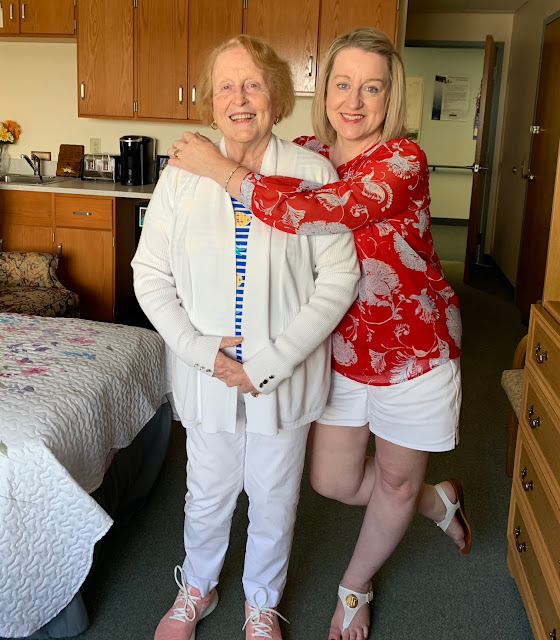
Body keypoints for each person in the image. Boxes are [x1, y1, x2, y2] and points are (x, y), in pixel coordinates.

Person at [167, 27, 471, 640]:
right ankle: (436, 501)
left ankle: (354, 589)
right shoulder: (312, 154)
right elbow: (267, 164)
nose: (354, 101)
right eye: (342, 84)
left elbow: (312, 212)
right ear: (323, 89)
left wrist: (218, 167)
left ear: (391, 97)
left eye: (372, 88)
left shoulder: (402, 161)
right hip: (337, 347)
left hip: (412, 349)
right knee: (332, 481)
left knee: (392, 478)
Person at [132, 34, 360, 640]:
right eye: (226, 87)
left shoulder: (312, 173)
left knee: (274, 496)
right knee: (206, 492)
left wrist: (270, 361)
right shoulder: (182, 176)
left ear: (276, 97)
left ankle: (261, 603)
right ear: (210, 102)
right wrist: (200, 351)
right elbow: (149, 273)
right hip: (207, 374)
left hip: (281, 377)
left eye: (253, 85)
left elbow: (339, 277)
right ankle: (197, 588)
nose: (239, 99)